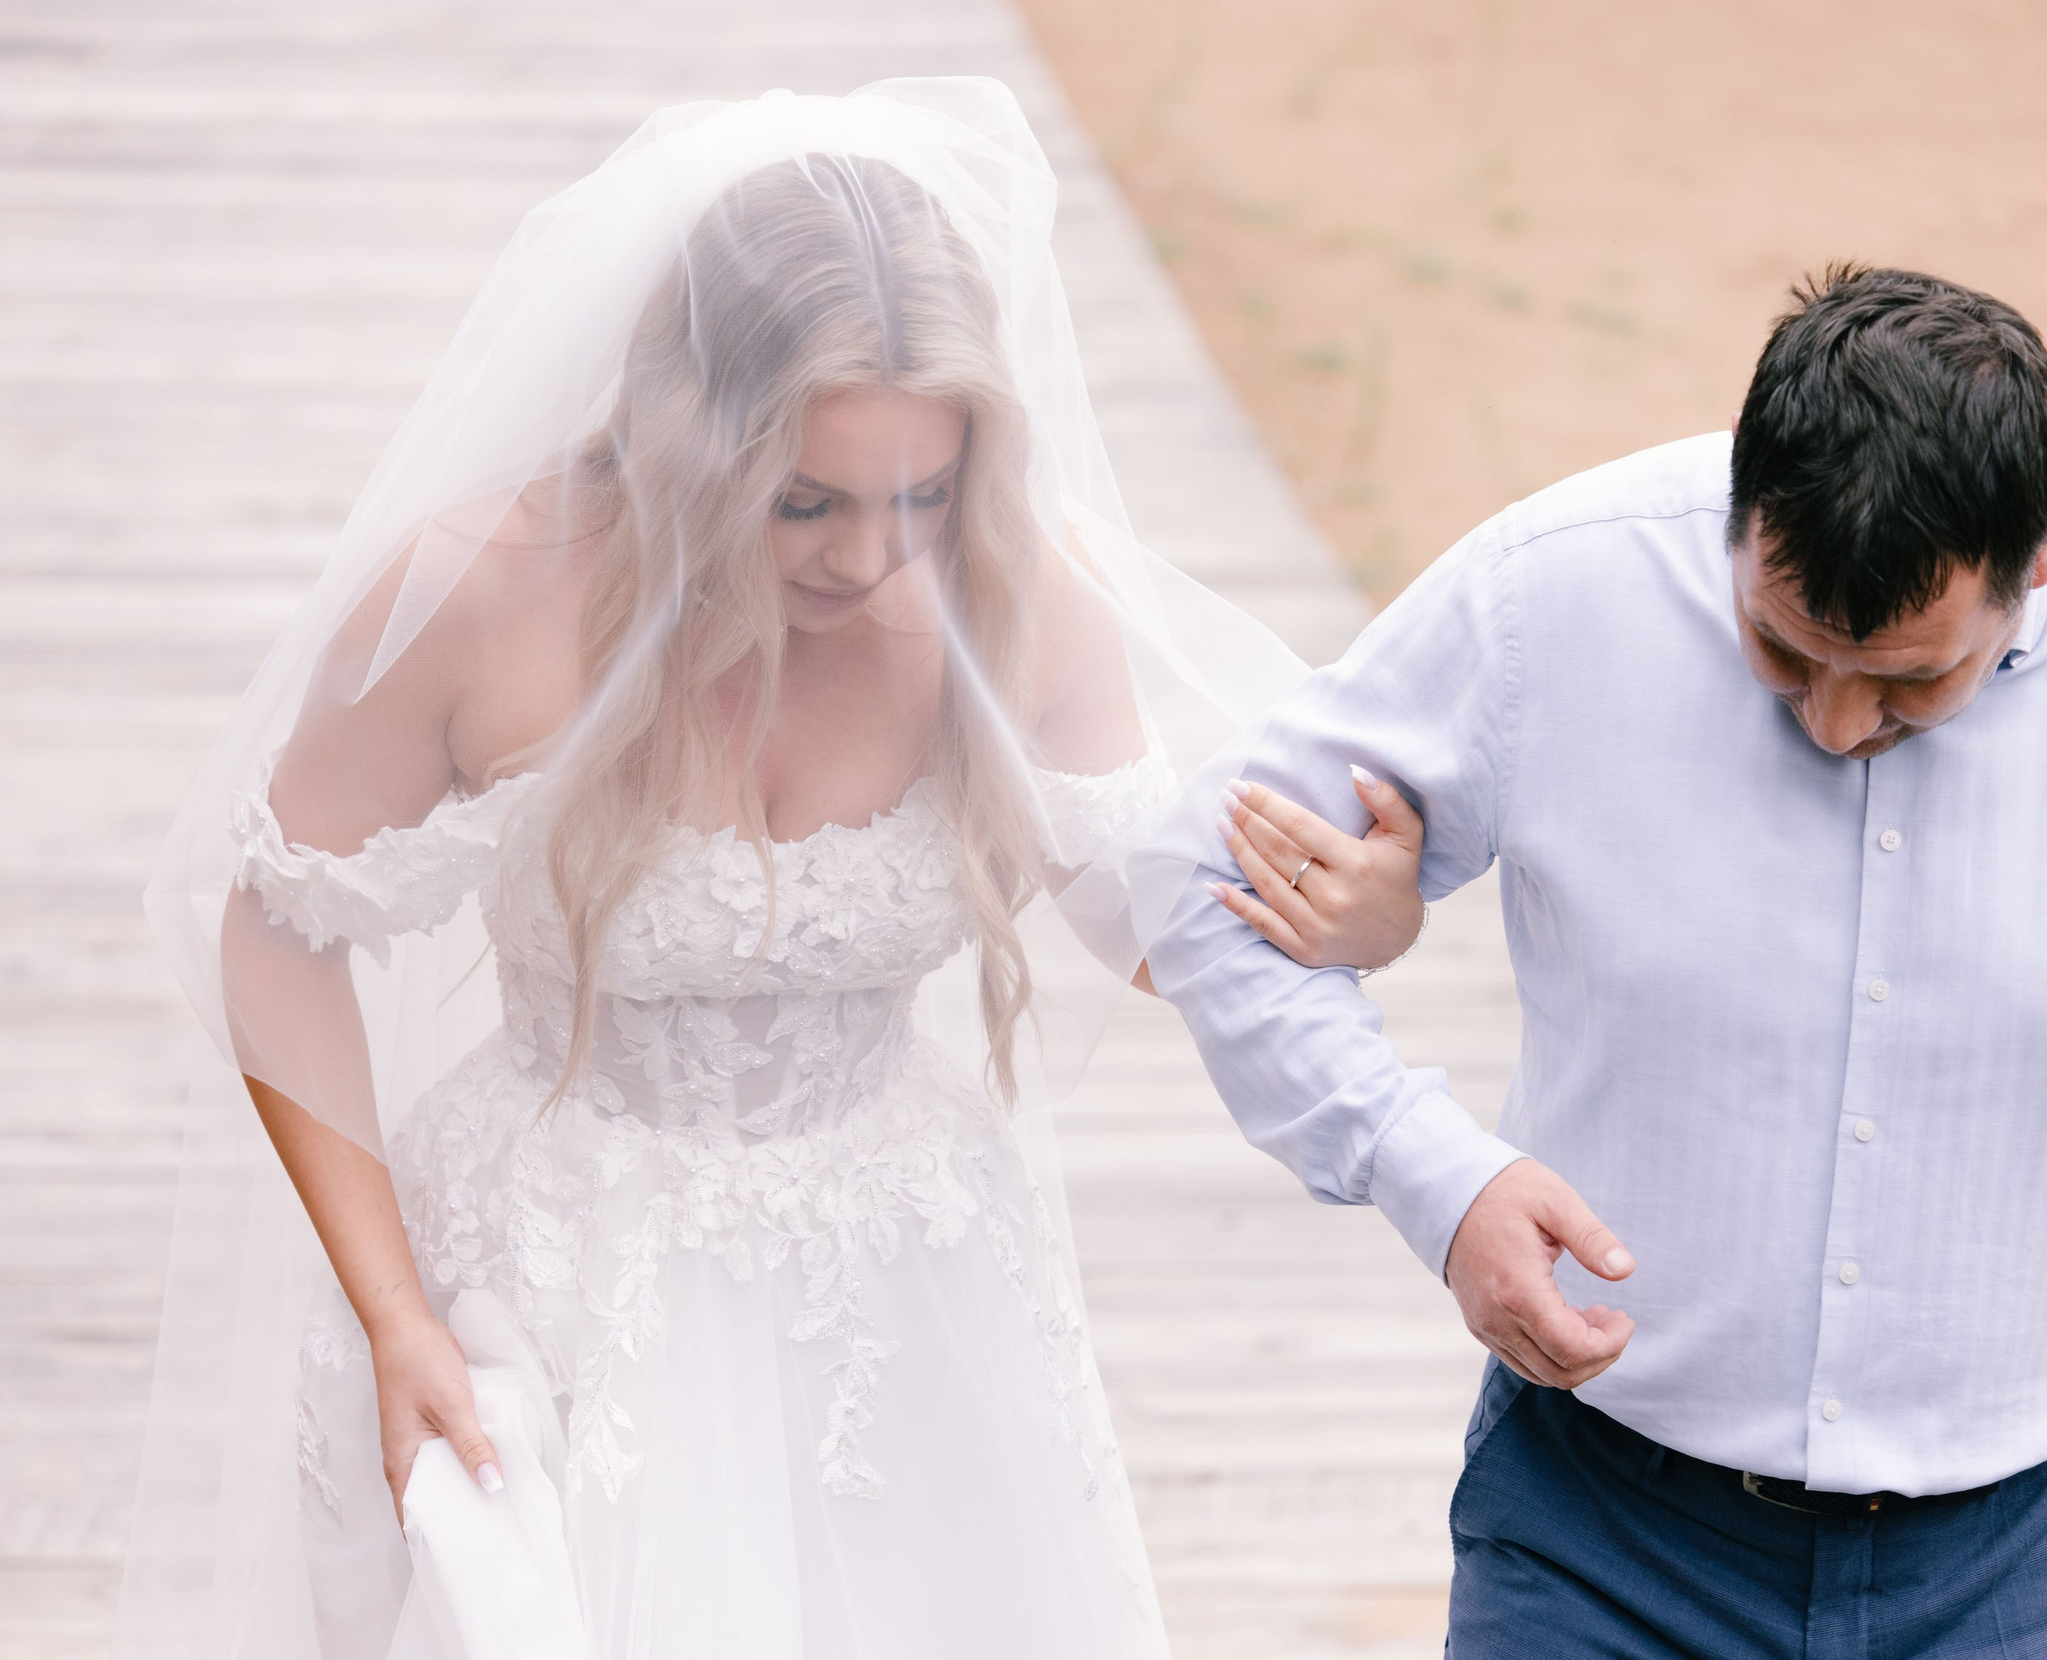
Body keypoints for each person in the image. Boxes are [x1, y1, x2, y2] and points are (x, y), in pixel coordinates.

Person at [129, 80, 1394, 1659]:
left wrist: (1353, 920)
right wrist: (396, 1314)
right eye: (803, 502)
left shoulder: (1003, 585)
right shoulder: (484, 596)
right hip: (558, 1287)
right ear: (685, 439)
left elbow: (1140, 914)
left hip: (905, 1295)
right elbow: (274, 931)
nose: (868, 561)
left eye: (918, 495)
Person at [1148, 265, 2047, 1656]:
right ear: (1739, 510)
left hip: (2027, 1574)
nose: (1835, 725)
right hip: (1600, 1543)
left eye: (1908, 680)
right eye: (1782, 647)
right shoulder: (1552, 595)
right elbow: (1197, 887)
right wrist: (1432, 1175)